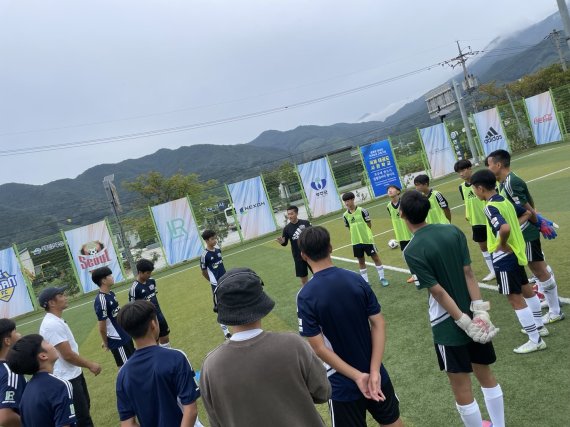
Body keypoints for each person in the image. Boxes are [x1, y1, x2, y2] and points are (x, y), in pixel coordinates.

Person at [399, 190, 503, 427]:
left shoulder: (411, 250)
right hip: (474, 315)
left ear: (401, 213)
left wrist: (463, 322)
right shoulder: (452, 231)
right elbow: (469, 272)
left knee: (461, 388)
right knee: (486, 376)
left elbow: (437, 291)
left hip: (447, 323)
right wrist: (479, 312)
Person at [297, 226, 403, 427]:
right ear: (330, 247)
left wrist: (358, 377)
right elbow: (379, 323)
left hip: (341, 383)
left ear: (303, 255)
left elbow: (318, 347)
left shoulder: (305, 296)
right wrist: (374, 371)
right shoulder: (356, 279)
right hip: (375, 374)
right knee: (392, 422)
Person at [200, 267, 331, 427]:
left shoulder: (211, 367)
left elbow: (217, 422)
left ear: (221, 308)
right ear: (260, 300)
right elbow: (323, 391)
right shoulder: (293, 345)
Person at [470, 169, 548, 354]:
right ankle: (539, 327)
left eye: (474, 188)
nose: (474, 191)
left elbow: (504, 228)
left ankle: (535, 340)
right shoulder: (504, 200)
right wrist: (514, 229)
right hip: (516, 253)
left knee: (514, 298)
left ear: (480, 188)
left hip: (504, 257)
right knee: (526, 290)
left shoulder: (489, 207)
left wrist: (502, 243)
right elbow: (527, 213)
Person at [486, 149, 564, 324]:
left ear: (498, 164)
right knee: (539, 267)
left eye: (489, 165)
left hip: (526, 232)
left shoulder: (511, 183)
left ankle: (555, 311)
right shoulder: (504, 182)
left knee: (539, 269)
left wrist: (538, 223)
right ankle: (553, 302)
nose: (488, 168)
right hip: (523, 232)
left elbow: (526, 208)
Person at [116, 300, 200, 427]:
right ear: (153, 324)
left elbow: (128, 424)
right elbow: (191, 410)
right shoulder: (176, 357)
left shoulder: (123, 374)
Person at [39, 286, 101, 427]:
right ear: (51, 303)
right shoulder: (52, 324)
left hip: (72, 373)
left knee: (84, 411)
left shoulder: (55, 320)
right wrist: (90, 365)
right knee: (82, 418)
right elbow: (67, 355)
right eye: (61, 295)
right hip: (67, 378)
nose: (65, 297)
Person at [7, 334, 76, 427]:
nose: (51, 344)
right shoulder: (60, 385)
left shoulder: (26, 391)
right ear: (43, 356)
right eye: (46, 342)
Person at [454, 160, 496, 281]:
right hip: (476, 221)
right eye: (459, 172)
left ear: (469, 168)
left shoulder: (481, 182)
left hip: (489, 218)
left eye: (463, 170)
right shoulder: (462, 187)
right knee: (483, 247)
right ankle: (493, 271)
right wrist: (468, 214)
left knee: (497, 243)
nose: (461, 174)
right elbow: (467, 202)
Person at [341, 192, 389, 286]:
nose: (346, 203)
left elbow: (369, 224)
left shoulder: (362, 211)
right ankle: (365, 281)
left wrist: (366, 234)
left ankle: (382, 278)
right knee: (361, 261)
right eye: (345, 201)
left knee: (375, 258)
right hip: (356, 242)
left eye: (348, 200)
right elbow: (349, 227)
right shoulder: (345, 215)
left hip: (367, 240)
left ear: (353, 199)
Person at [91, 266, 135, 367]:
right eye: (109, 275)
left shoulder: (111, 293)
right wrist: (106, 342)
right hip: (117, 340)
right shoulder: (101, 301)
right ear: (103, 281)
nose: (112, 277)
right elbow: (102, 327)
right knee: (126, 368)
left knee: (133, 364)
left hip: (125, 334)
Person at [129, 259, 171, 347]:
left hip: (159, 315)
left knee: (165, 338)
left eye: (150, 272)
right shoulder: (134, 289)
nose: (150, 275)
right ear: (140, 272)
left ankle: (167, 354)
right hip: (147, 320)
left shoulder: (152, 281)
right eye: (147, 273)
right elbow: (132, 308)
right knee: (154, 343)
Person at [200, 229, 231, 339]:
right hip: (216, 284)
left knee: (231, 300)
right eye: (212, 239)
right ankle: (226, 332)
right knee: (220, 306)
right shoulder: (204, 255)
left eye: (215, 238)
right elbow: (203, 271)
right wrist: (212, 280)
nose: (215, 240)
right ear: (207, 241)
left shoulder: (218, 250)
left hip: (225, 279)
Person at [276, 205, 312, 285]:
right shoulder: (286, 229)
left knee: (318, 274)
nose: (290, 216)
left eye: (291, 214)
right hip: (298, 257)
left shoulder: (305, 223)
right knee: (304, 280)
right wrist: (282, 242)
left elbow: (313, 235)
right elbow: (285, 243)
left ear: (296, 213)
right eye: (288, 214)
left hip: (310, 254)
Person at [386, 185, 414, 283]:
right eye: (388, 190)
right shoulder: (388, 206)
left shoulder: (405, 202)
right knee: (406, 256)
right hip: (401, 236)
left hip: (411, 233)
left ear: (398, 191)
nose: (389, 191)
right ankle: (414, 274)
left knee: (419, 254)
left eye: (392, 189)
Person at [0, 319, 26, 427]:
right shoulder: (11, 372)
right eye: (15, 331)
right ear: (7, 341)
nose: (19, 334)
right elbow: (5, 417)